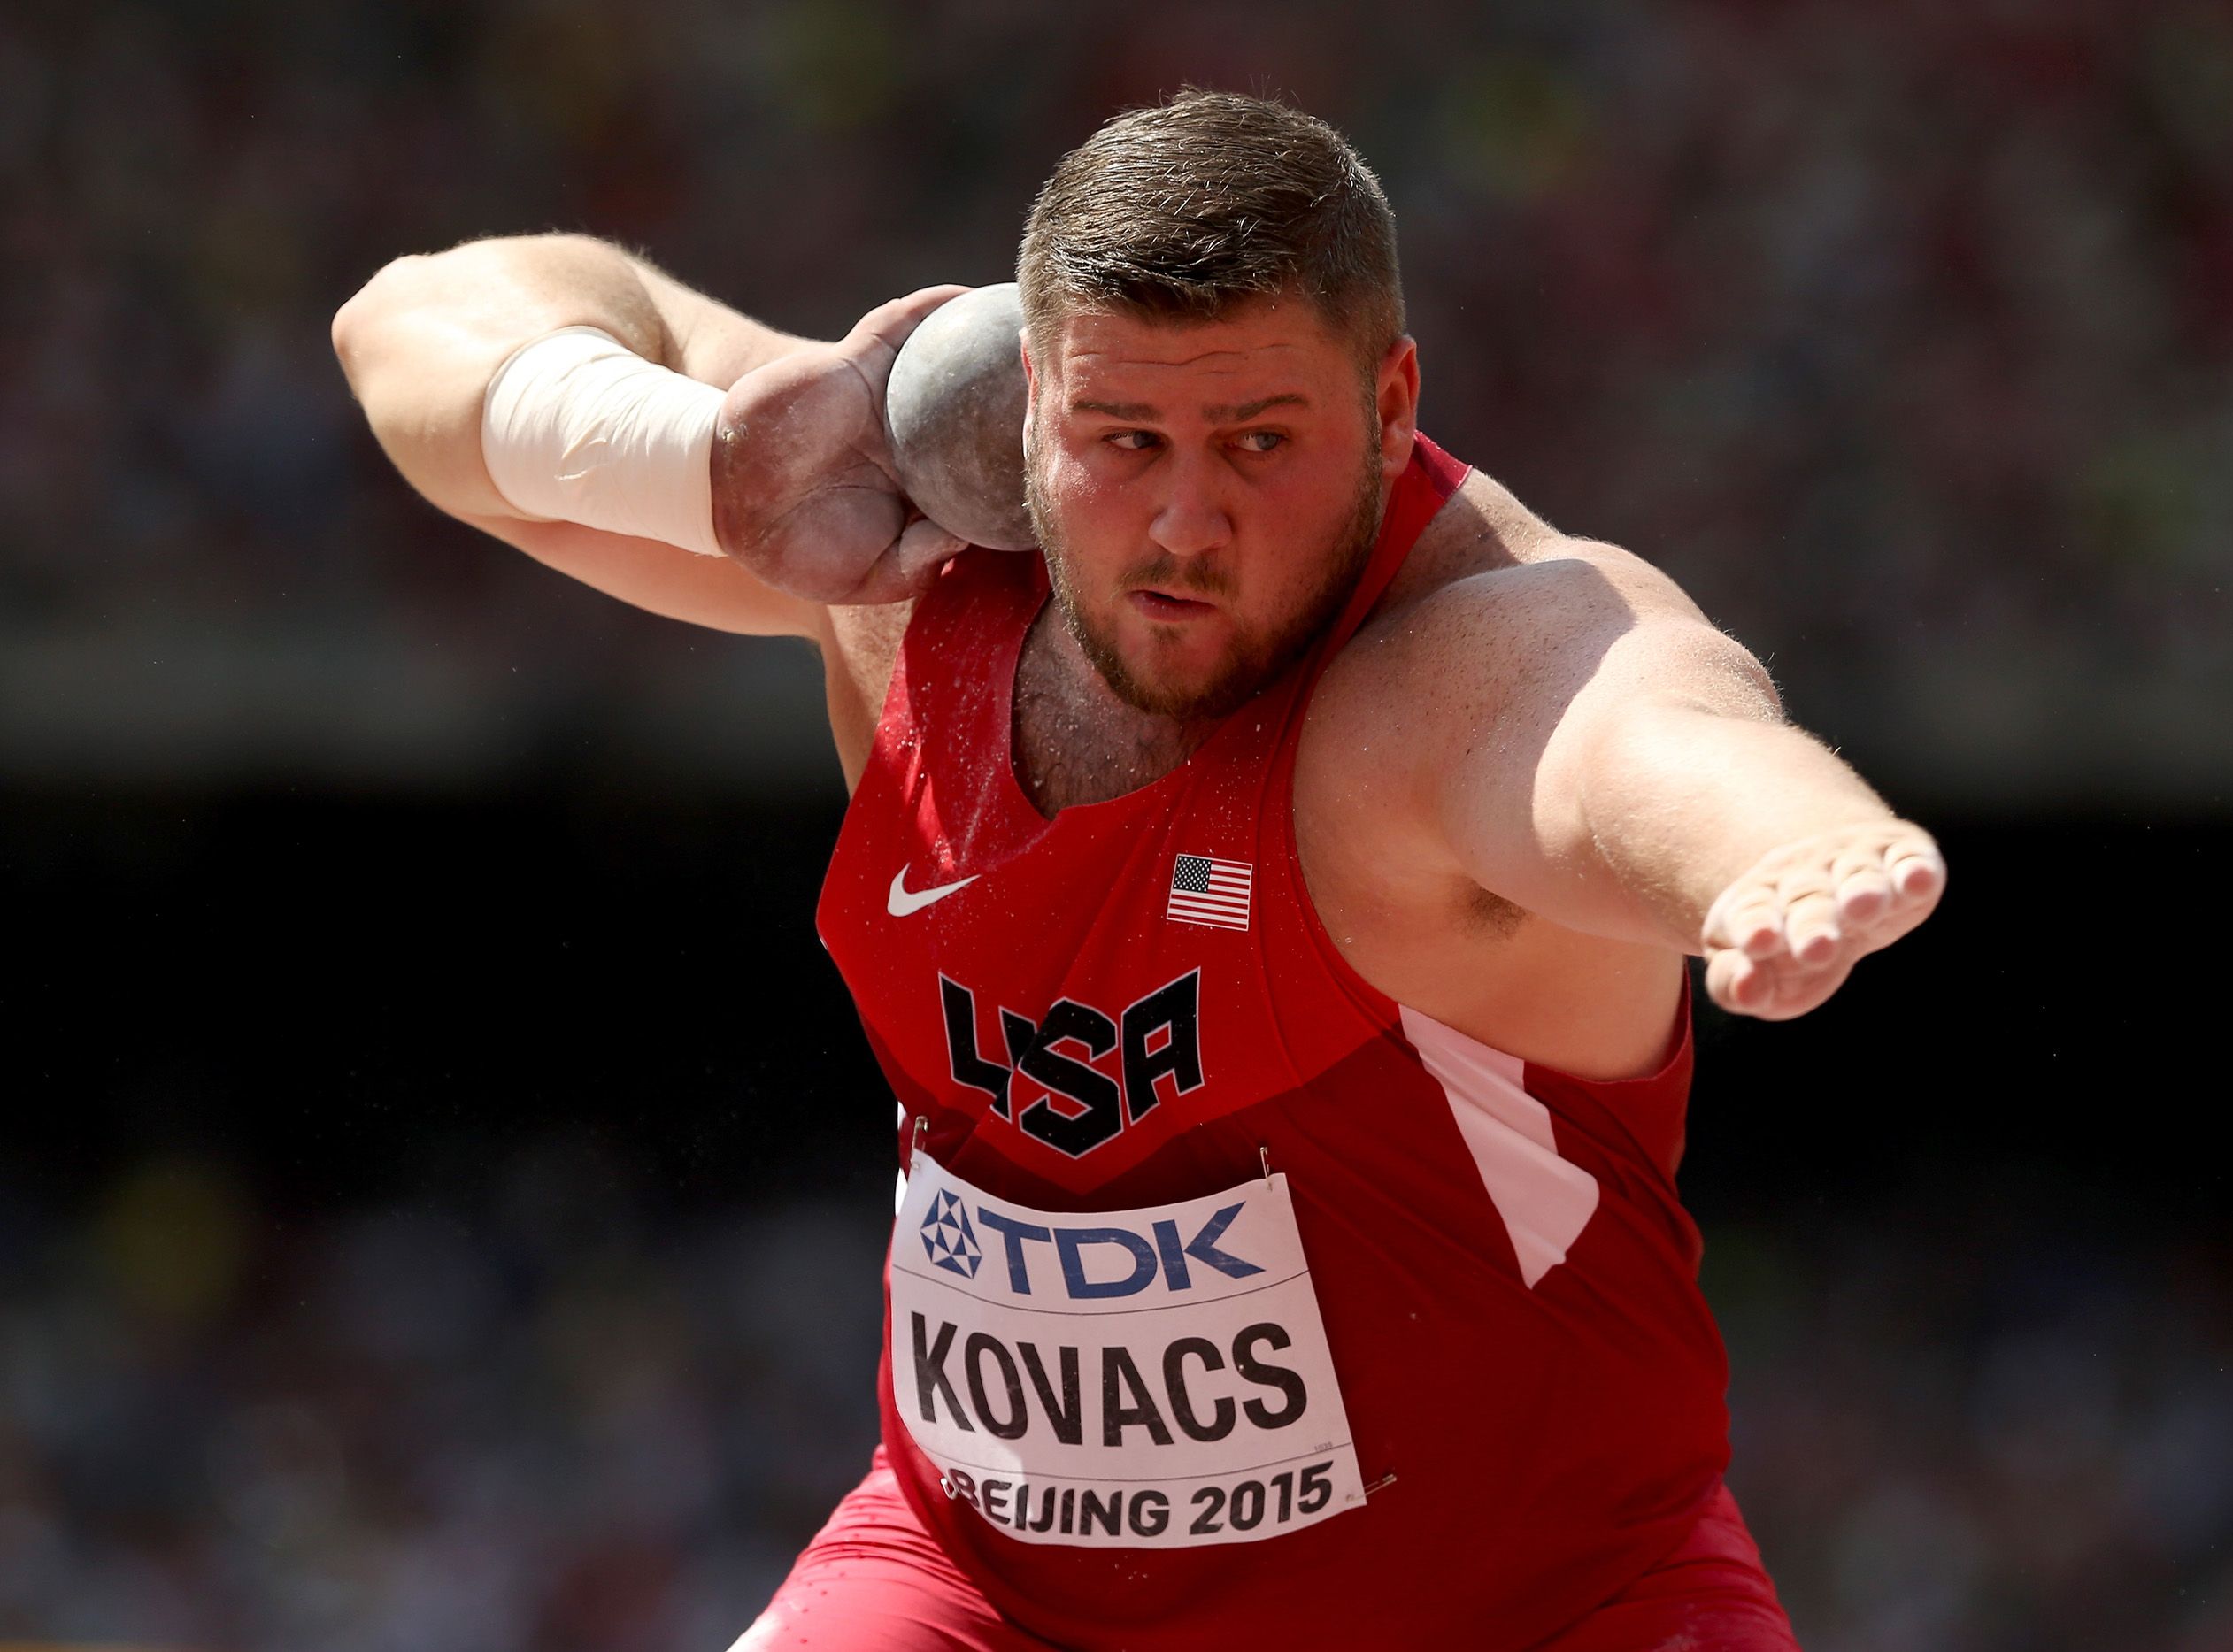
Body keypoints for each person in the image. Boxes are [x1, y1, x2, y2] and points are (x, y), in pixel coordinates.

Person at [333, 88, 1942, 1652]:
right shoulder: (902, 580)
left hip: (1542, 1619)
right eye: (1124, 439)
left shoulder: (1455, 662)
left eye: (1259, 441)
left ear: (1389, 407)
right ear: (1026, 403)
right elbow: (407, 328)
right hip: (986, 1599)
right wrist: (699, 459)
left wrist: (1780, 853)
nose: (1185, 523)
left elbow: (1637, 729)